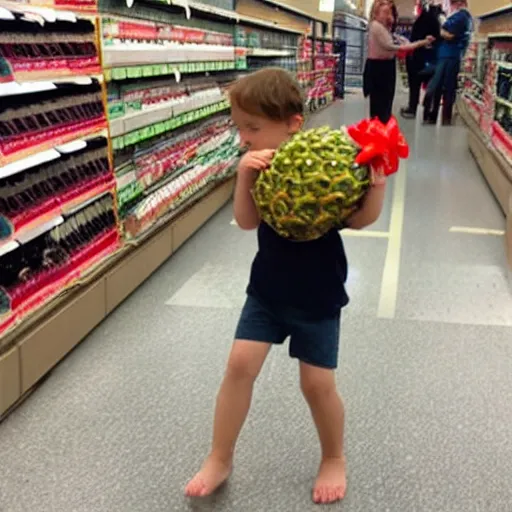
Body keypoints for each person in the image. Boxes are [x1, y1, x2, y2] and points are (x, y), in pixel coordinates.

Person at [184, 67, 388, 505]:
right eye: (240, 129)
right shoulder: (259, 166)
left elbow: (356, 220)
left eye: (254, 129)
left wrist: (377, 185)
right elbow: (246, 221)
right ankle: (220, 455)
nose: (245, 139)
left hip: (318, 294)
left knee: (316, 384)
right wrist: (244, 176)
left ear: (294, 122)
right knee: (239, 364)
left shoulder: (325, 163)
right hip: (268, 289)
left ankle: (334, 456)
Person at [364, 0, 435, 124]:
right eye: (386, 12)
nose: (389, 16)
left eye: (390, 13)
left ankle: (381, 132)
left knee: (385, 104)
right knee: (380, 106)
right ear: (376, 13)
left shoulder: (385, 29)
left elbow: (403, 43)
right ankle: (378, 133)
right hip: (379, 68)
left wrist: (419, 42)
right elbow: (394, 47)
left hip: (385, 67)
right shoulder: (376, 26)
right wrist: (423, 42)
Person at [422, 0, 472, 125]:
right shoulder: (459, 16)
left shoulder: (462, 16)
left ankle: (440, 117)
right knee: (441, 87)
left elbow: (449, 35)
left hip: (450, 56)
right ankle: (439, 117)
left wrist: (440, 26)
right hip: (446, 55)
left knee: (442, 87)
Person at [400, 1, 443, 119]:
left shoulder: (425, 18)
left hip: (418, 57)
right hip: (428, 59)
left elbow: (419, 37)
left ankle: (413, 108)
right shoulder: (435, 20)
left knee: (415, 85)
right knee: (429, 87)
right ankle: (426, 111)